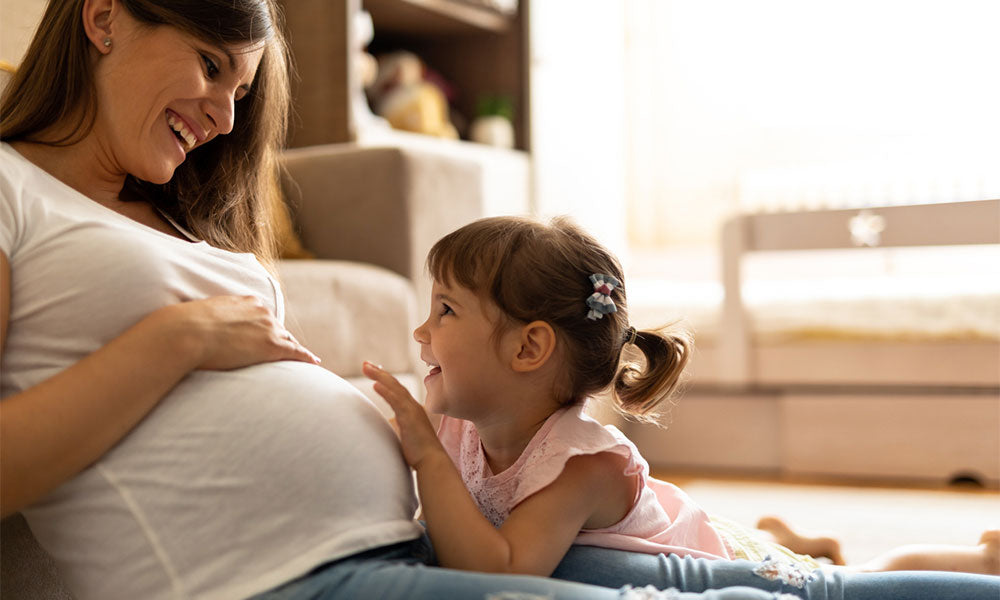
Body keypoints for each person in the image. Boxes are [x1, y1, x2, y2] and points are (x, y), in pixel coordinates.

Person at [2, 1, 998, 599]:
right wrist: (176, 341)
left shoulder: (173, 214)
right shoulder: (11, 188)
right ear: (104, 16)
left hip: (434, 534)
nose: (226, 119)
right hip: (279, 577)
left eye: (240, 89)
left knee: (797, 588)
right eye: (213, 67)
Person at [362, 215, 1000, 577]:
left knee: (865, 581)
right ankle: (792, 538)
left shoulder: (583, 466)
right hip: (702, 529)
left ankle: (978, 558)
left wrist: (428, 459)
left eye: (445, 310)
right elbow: (381, 468)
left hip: (724, 567)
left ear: (529, 348)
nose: (421, 332)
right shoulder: (458, 424)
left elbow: (501, 572)